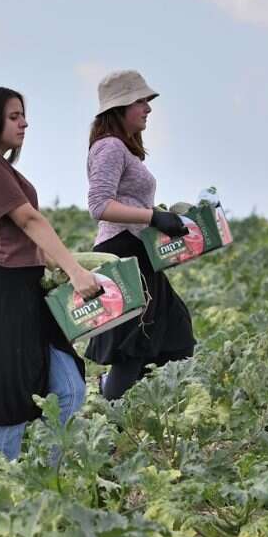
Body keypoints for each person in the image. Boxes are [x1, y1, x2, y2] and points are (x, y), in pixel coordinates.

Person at [0, 86, 100, 460]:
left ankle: (44, 480)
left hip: (27, 289)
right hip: (5, 292)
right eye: (14, 116)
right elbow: (28, 219)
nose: (24, 123)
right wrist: (75, 270)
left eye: (23, 116)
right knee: (10, 405)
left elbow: (17, 236)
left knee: (69, 389)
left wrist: (55, 262)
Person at [85, 70, 195, 400]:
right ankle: (112, 407)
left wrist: (159, 218)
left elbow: (126, 202)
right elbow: (99, 205)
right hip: (122, 251)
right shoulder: (109, 147)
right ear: (119, 107)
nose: (148, 108)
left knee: (171, 335)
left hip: (138, 250)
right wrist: (152, 216)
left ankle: (124, 403)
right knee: (135, 343)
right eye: (140, 101)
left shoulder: (123, 149)